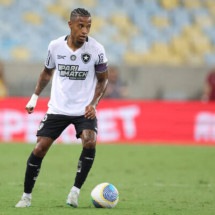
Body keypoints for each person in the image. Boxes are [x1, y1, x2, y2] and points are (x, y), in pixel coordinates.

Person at [15, 8, 108, 208]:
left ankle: (74, 192)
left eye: (88, 26)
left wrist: (93, 103)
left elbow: (103, 80)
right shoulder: (55, 46)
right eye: (81, 26)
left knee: (90, 141)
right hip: (58, 108)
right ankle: (26, 197)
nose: (85, 31)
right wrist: (34, 97)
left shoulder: (97, 50)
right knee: (40, 148)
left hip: (84, 109)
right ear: (70, 25)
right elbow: (47, 73)